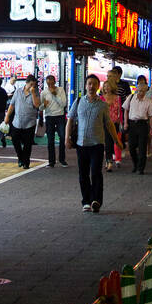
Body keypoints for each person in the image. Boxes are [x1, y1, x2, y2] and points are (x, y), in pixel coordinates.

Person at [66, 74, 122, 212]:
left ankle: (96, 200)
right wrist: (67, 137)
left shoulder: (103, 105)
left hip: (97, 144)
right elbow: (70, 120)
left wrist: (117, 140)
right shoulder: (78, 102)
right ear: (86, 86)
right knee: (83, 174)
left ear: (98, 87)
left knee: (96, 172)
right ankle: (86, 201)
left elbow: (109, 124)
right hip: (81, 144)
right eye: (89, 83)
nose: (91, 86)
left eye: (94, 84)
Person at [5, 74, 41, 169]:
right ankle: (20, 157)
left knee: (27, 144)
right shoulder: (18, 91)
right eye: (31, 85)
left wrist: (33, 93)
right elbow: (12, 105)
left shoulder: (36, 93)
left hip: (30, 123)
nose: (33, 87)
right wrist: (7, 116)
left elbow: (37, 105)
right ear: (27, 83)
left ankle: (26, 162)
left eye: (34, 85)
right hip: (17, 122)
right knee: (15, 141)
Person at [123, 76, 152, 173]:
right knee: (131, 147)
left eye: (143, 91)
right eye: (139, 91)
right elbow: (126, 110)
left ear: (146, 91)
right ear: (136, 90)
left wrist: (150, 128)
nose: (141, 93)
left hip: (143, 124)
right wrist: (126, 123)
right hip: (132, 124)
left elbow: (151, 115)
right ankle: (135, 164)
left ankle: (141, 168)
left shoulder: (148, 101)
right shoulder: (131, 98)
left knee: (142, 147)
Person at [40, 74, 68, 167]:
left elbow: (63, 104)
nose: (50, 86)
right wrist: (44, 105)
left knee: (62, 137)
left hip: (60, 116)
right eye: (48, 84)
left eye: (52, 83)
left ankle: (62, 159)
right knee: (50, 140)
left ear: (55, 82)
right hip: (49, 117)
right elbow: (40, 108)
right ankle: (51, 161)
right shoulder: (44, 93)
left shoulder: (60, 90)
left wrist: (55, 95)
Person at [101, 79, 123, 171]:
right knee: (107, 142)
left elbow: (120, 111)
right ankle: (109, 162)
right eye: (105, 86)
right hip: (105, 123)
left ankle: (115, 159)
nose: (106, 88)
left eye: (108, 86)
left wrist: (121, 121)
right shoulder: (101, 98)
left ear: (112, 87)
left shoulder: (117, 98)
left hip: (115, 123)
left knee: (115, 141)